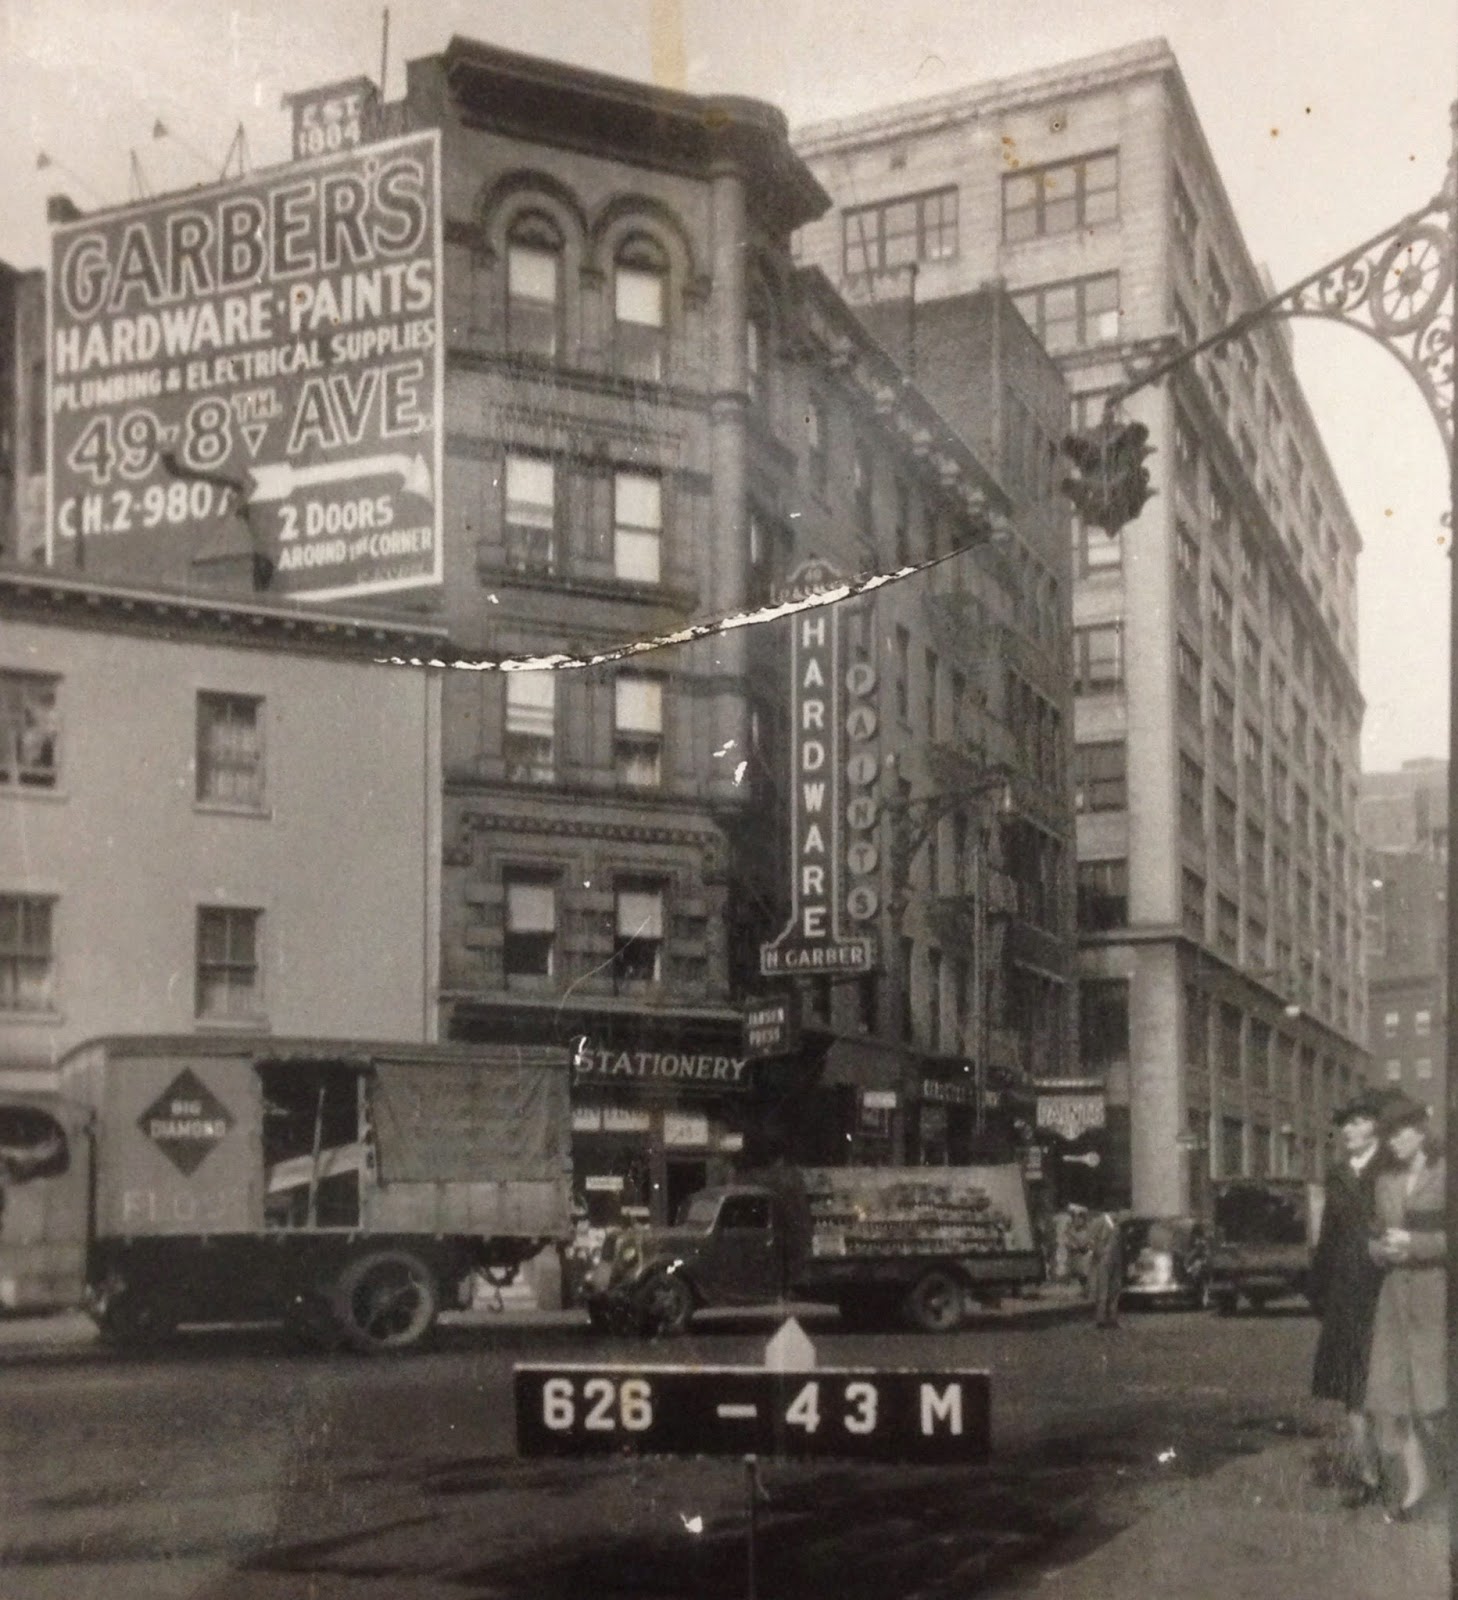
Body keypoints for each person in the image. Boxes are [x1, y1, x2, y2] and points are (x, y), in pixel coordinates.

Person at [1363, 1094, 1446, 1520]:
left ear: (1421, 1130)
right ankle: (1418, 1484)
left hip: (1436, 1298)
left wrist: (1415, 1245)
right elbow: (1374, 1237)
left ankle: (1443, 1476)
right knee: (1393, 1398)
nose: (1392, 1141)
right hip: (1393, 1298)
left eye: (1399, 1132)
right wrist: (1382, 1251)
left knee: (1434, 1402)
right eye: (1387, 1134)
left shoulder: (1446, 1174)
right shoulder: (1385, 1181)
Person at [1307, 1094, 1389, 1505]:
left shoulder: (1388, 1169)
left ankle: (1396, 1473)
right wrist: (1318, 1292)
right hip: (1343, 1294)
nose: (1350, 1131)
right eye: (1346, 1124)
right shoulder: (1337, 1173)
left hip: (1382, 1291)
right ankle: (1369, 1474)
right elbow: (1327, 1239)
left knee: (1382, 1388)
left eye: (1358, 1122)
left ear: (1375, 1125)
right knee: (1352, 1394)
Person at [1086, 1207, 1123, 1328]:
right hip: (1106, 1259)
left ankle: (1110, 1317)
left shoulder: (1114, 1222)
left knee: (1112, 1289)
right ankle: (1102, 1318)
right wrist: (1098, 1252)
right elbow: (1090, 1241)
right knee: (1104, 1290)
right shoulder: (1101, 1222)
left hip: (1113, 1258)